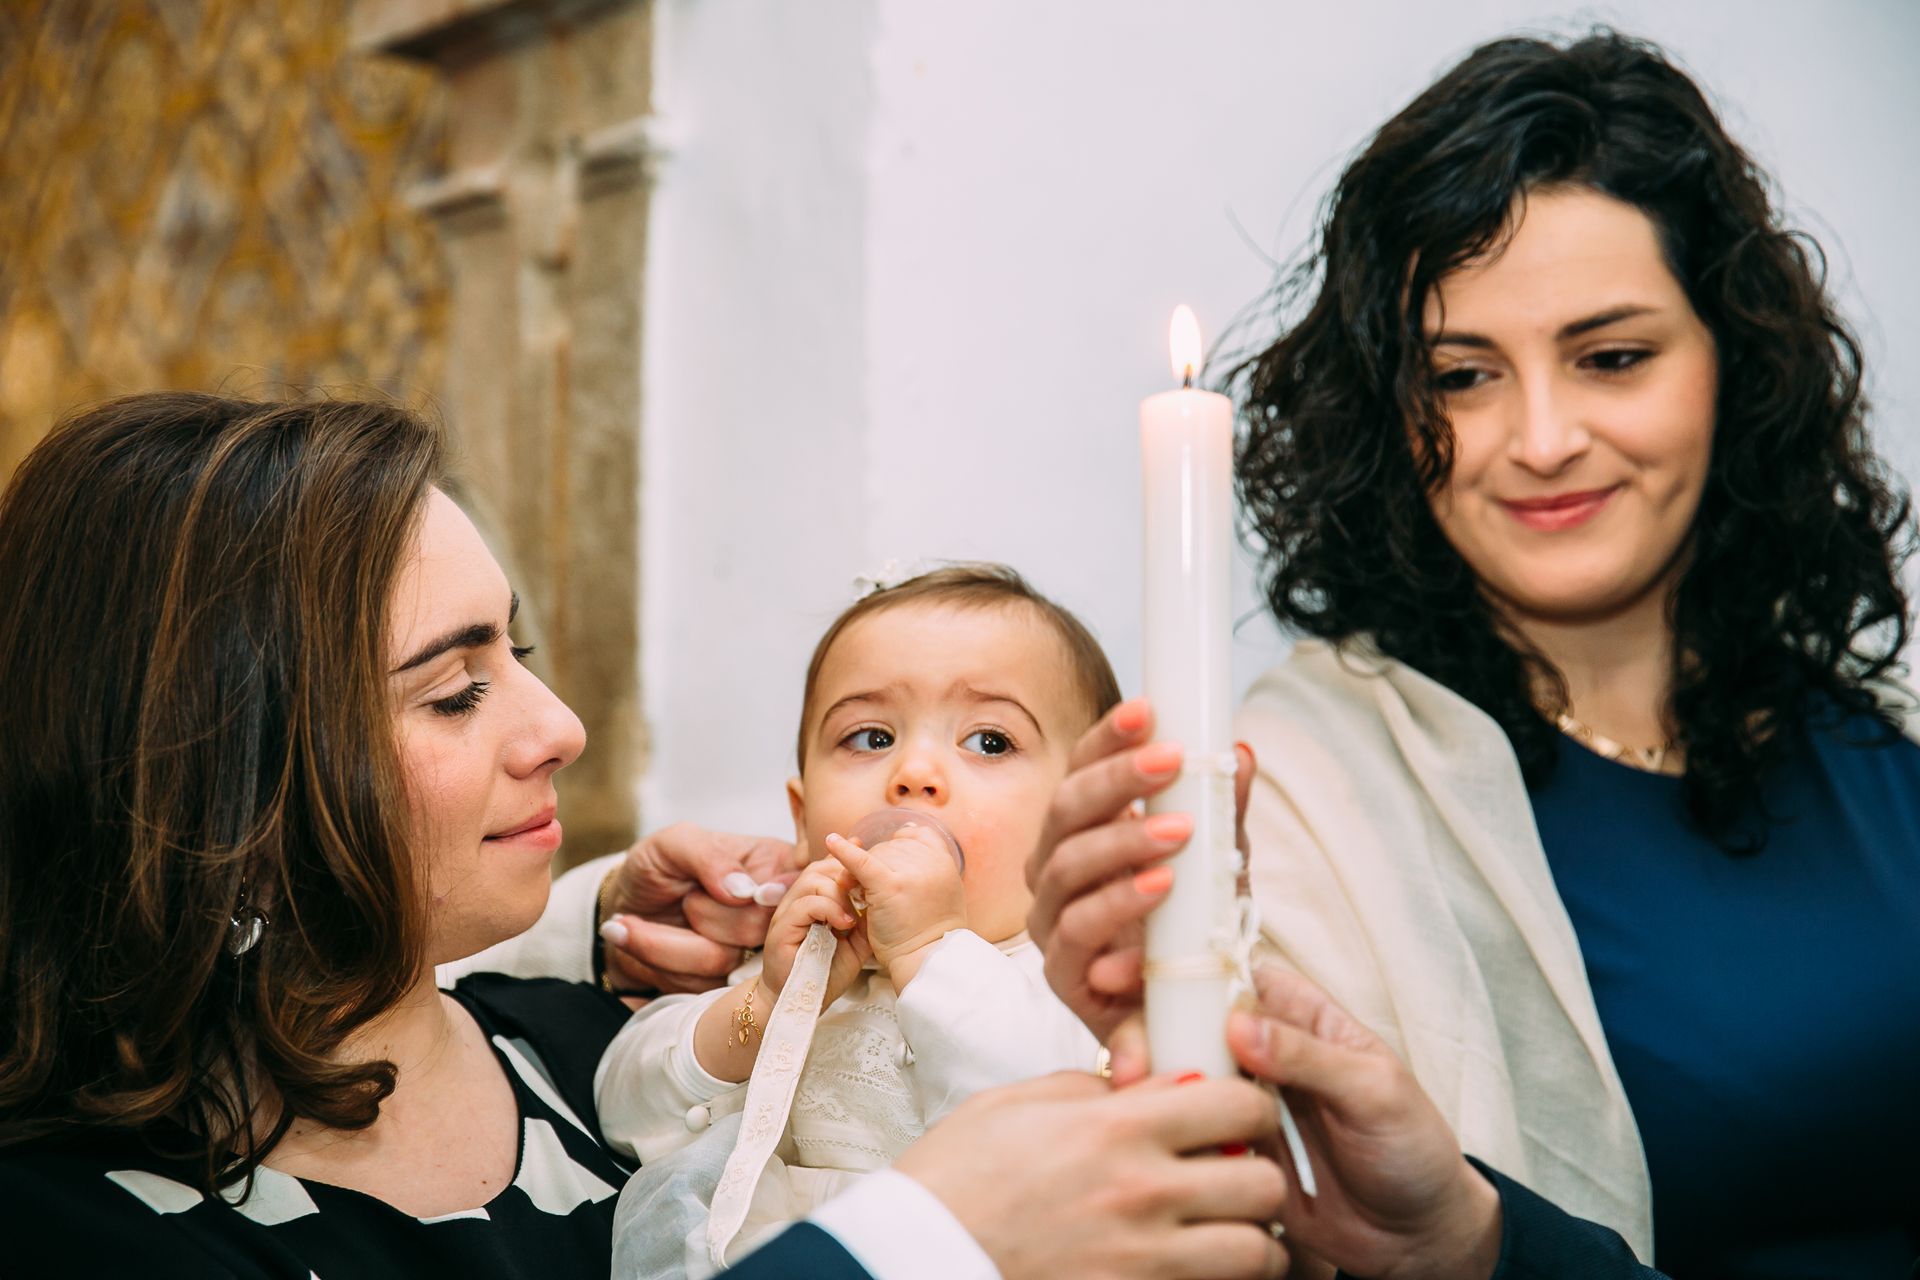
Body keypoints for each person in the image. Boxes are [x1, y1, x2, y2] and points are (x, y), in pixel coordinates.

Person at [0, 393, 1290, 1279]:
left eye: (525, 652)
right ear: (226, 778)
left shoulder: (568, 1043)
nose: (558, 724)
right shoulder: (79, 1227)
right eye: (457, 690)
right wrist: (931, 1234)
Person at [1028, 29, 1920, 1278]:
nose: (1542, 438)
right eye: (1460, 375)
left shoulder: (1891, 717)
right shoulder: (1288, 797)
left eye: (1612, 357)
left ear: (1737, 360)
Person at [598, 566, 1110, 1276]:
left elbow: (1043, 1133)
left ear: (1081, 825)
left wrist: (933, 946)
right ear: (803, 820)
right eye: (870, 737)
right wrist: (767, 1002)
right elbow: (624, 1105)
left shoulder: (1068, 988)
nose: (913, 772)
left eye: (989, 741)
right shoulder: (787, 954)